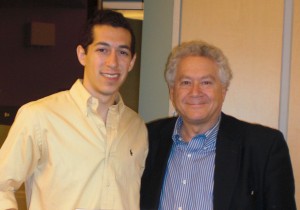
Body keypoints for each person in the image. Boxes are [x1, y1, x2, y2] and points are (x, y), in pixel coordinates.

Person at [0, 9, 148, 210]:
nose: (112, 62)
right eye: (102, 50)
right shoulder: (39, 117)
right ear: (82, 55)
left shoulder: (137, 127)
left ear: (131, 62)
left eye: (122, 52)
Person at [140, 40, 296, 210]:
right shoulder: (146, 138)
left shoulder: (263, 147)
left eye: (206, 82)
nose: (195, 92)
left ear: (223, 90)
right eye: (185, 82)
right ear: (172, 91)